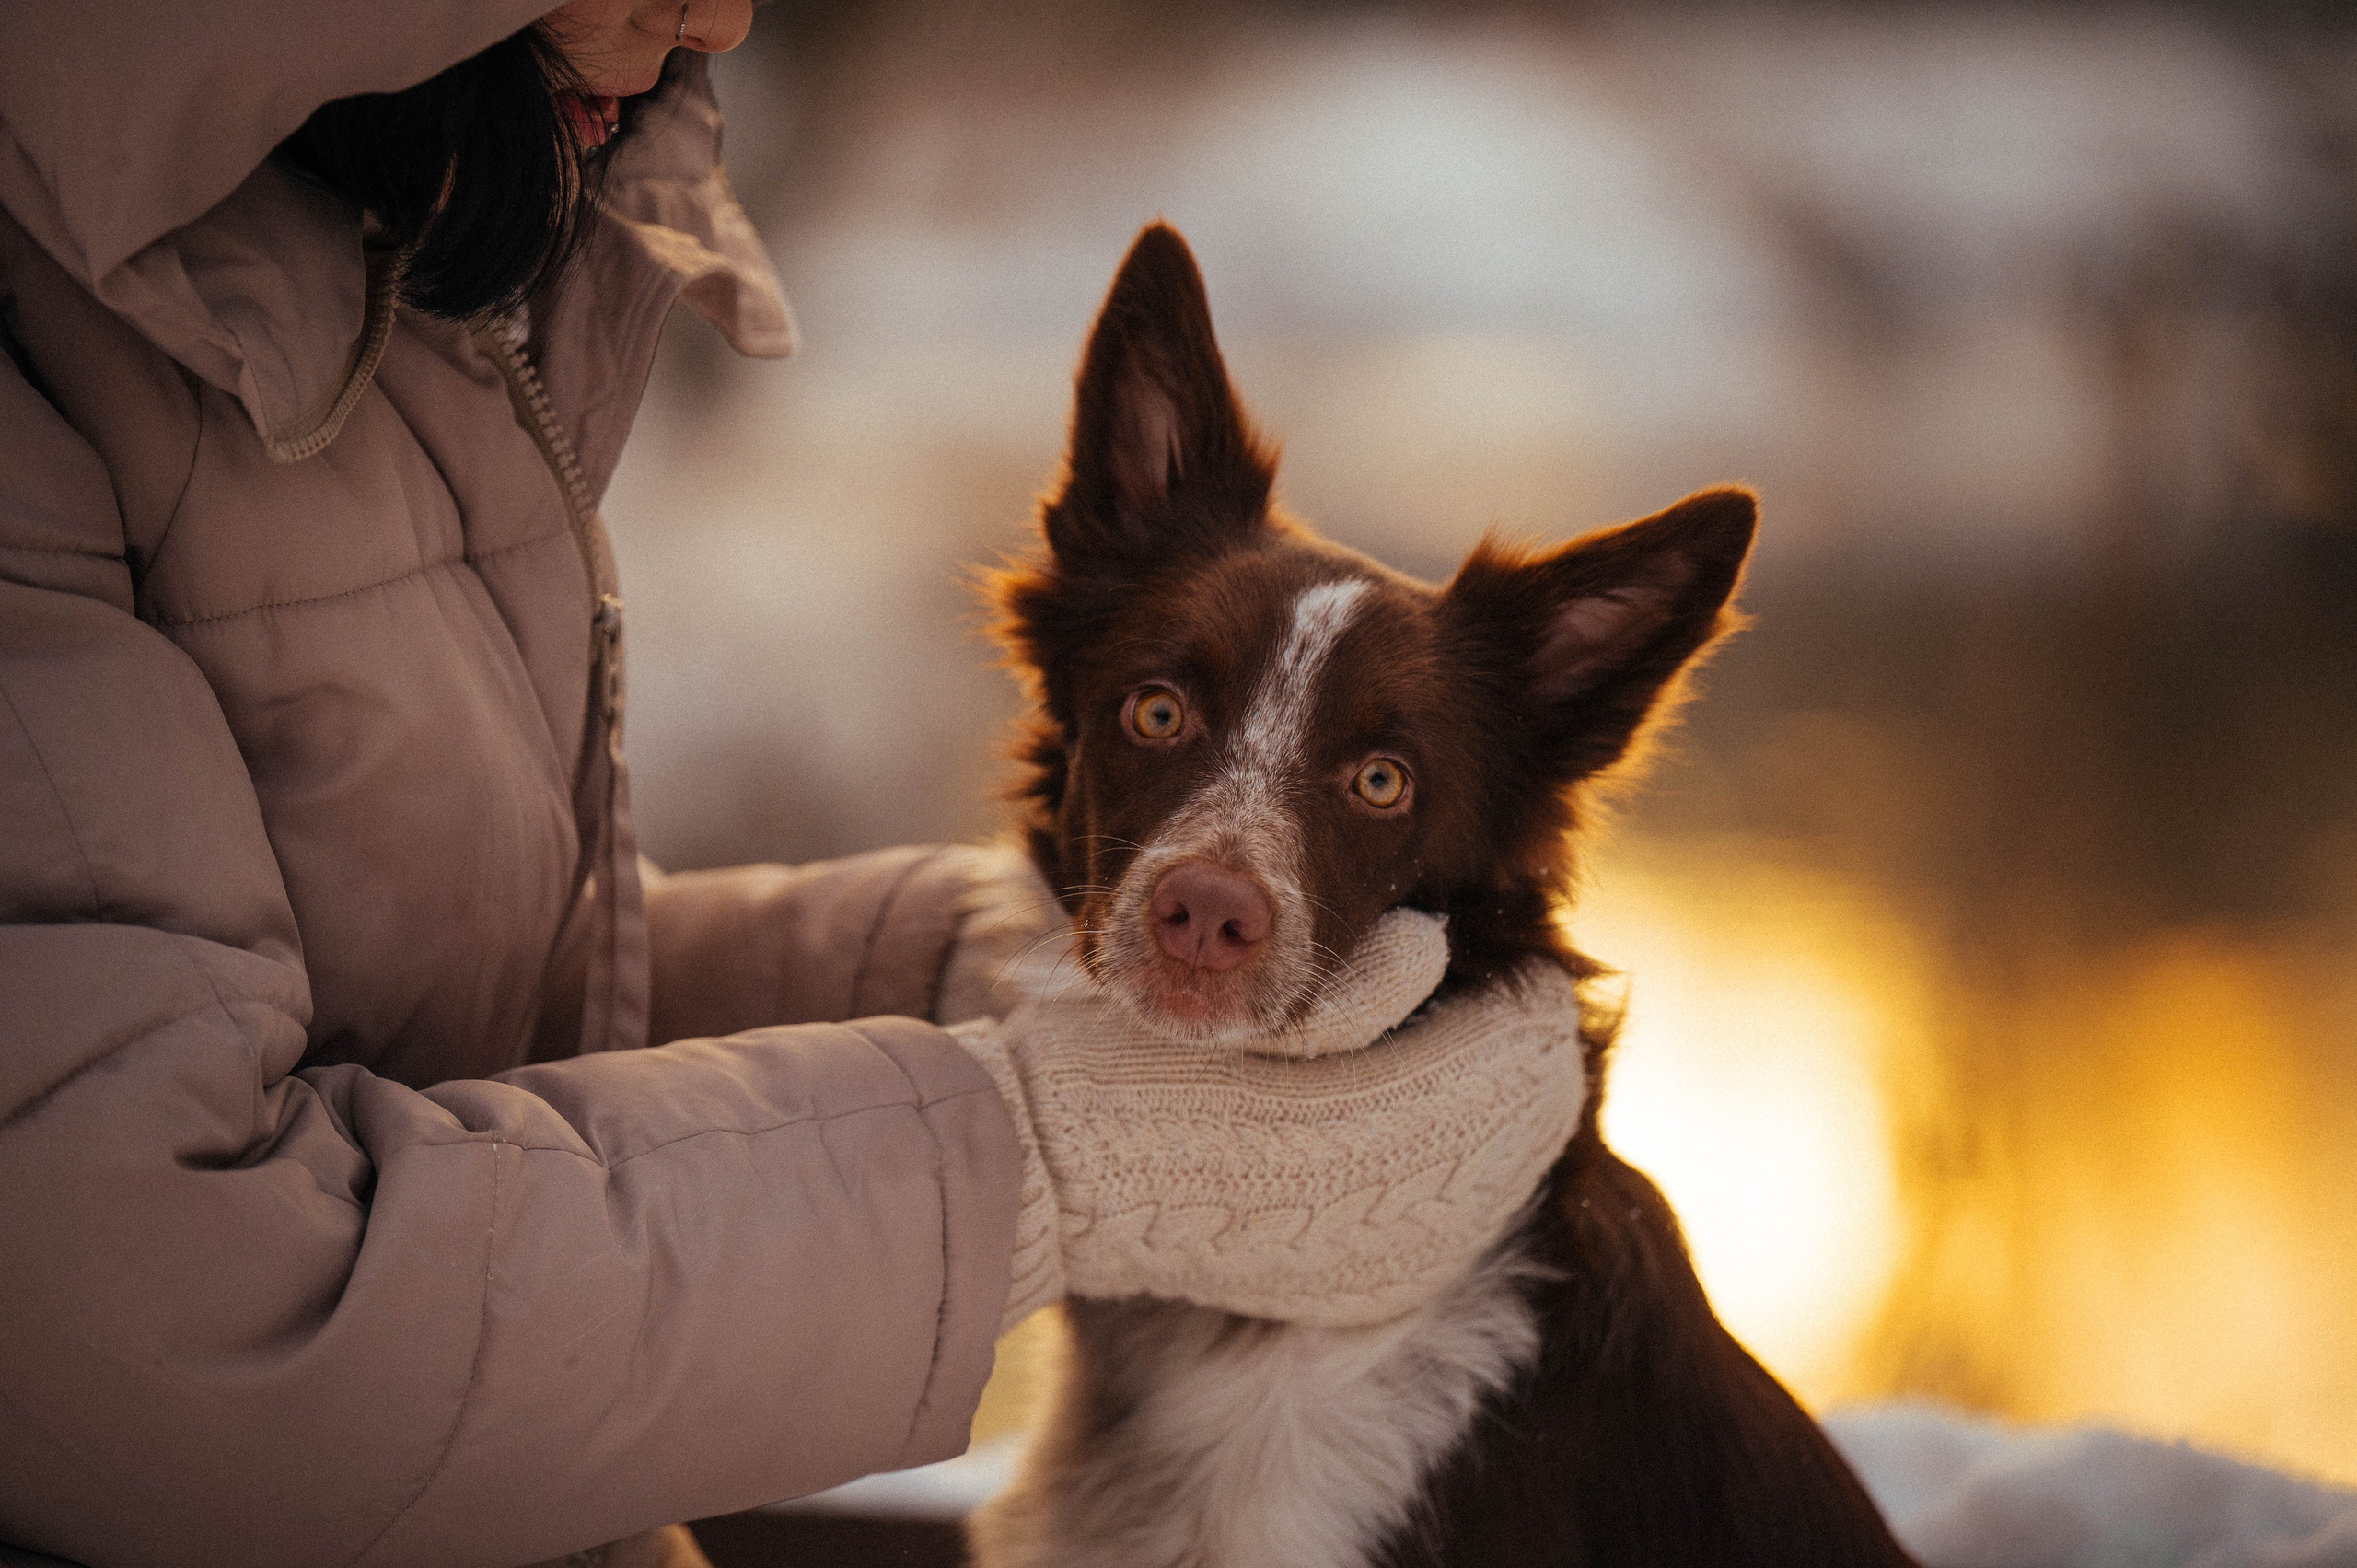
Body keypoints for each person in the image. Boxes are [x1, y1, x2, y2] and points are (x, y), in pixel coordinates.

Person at [0, 5, 1588, 1566]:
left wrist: (946, 975)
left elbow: (437, 1006)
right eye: (1163, 709)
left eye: (1379, 779)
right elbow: (167, 1320)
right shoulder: (61, 327)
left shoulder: (403, 225)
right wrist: (1052, 1152)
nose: (722, 15)